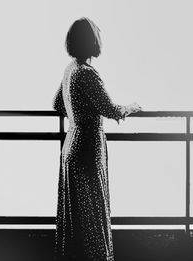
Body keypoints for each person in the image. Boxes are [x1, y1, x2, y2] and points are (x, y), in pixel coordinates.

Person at [52, 17, 142, 261]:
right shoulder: (87, 74)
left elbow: (57, 103)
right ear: (91, 42)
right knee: (93, 215)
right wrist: (132, 106)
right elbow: (111, 109)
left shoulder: (70, 70)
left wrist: (77, 113)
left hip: (70, 145)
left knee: (76, 219)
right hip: (88, 150)